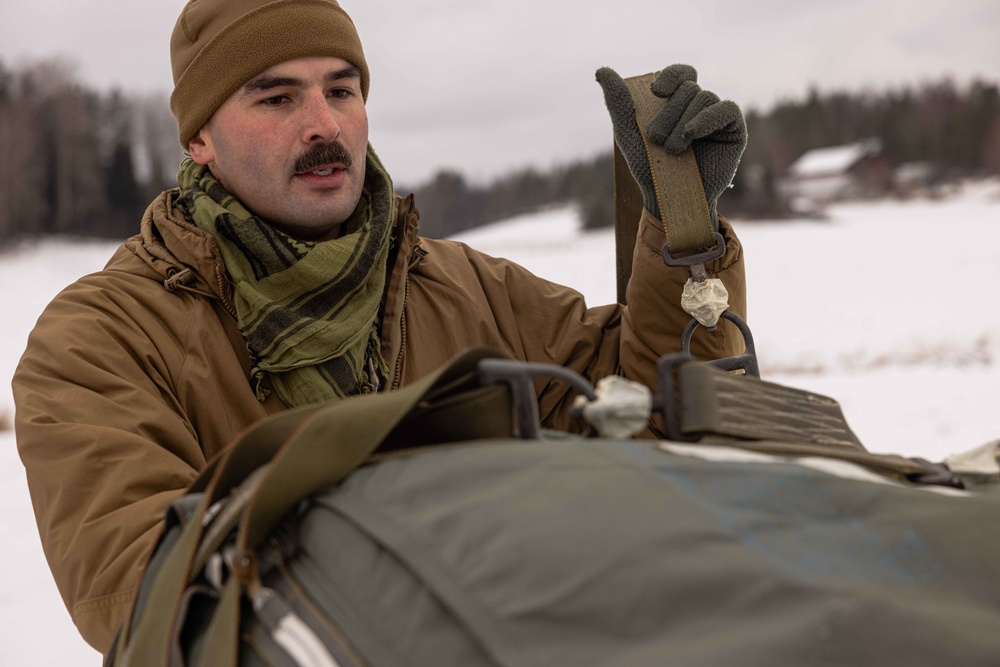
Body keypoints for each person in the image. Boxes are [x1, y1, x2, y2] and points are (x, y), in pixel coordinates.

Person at [12, 0, 747, 655]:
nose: (325, 124)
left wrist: (684, 239)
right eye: (276, 97)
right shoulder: (100, 339)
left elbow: (667, 439)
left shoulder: (473, 291)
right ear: (199, 138)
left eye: (342, 89)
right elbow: (157, 600)